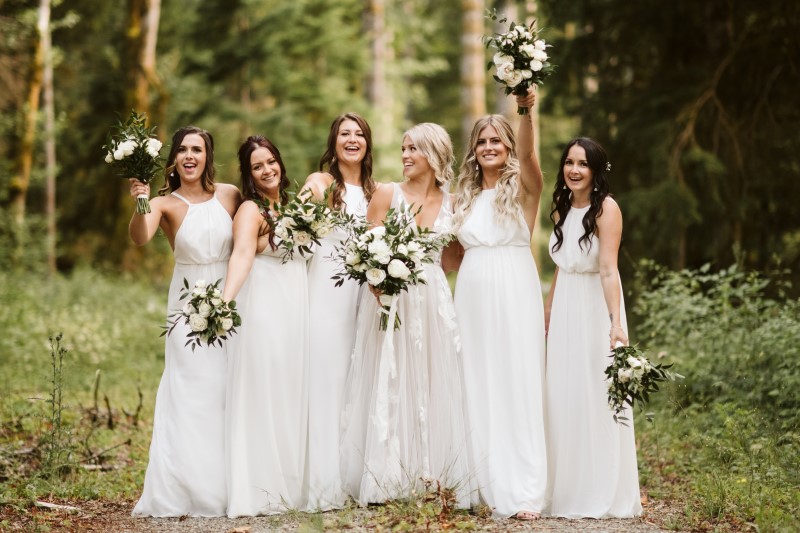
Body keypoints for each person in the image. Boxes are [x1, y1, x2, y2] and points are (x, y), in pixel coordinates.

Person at [340, 123, 473, 508]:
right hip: (389, 298)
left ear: (434, 154)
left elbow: (450, 260)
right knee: (390, 376)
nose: (405, 156)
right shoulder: (386, 193)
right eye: (403, 149)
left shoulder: (452, 202)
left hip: (433, 296)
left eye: (413, 149)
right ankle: (385, 474)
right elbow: (367, 253)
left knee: (431, 376)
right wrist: (381, 284)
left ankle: (431, 472)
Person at [129, 126, 241, 517]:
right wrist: (142, 202)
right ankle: (188, 488)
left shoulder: (229, 195)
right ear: (173, 159)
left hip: (231, 301)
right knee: (192, 388)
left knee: (228, 389)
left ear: (209, 156)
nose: (190, 156)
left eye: (198, 149)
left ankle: (231, 484)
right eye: (183, 150)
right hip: (187, 303)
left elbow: (251, 237)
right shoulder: (165, 204)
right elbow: (141, 237)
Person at [451, 90, 547, 520]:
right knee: (475, 378)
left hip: (514, 286)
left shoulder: (524, 188)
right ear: (474, 149)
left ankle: (524, 489)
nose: (489, 147)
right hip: (471, 290)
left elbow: (529, 157)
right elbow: (450, 255)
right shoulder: (463, 198)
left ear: (507, 145)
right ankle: (482, 484)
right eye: (482, 141)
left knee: (515, 378)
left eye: (497, 141)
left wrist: (526, 111)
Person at [543, 137, 642, 518]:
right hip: (566, 303)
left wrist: (616, 322)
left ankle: (600, 489)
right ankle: (566, 487)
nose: (574, 170)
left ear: (595, 169)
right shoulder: (563, 206)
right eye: (569, 162)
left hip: (595, 308)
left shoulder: (607, 208)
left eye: (582, 164)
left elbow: (608, 269)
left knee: (596, 394)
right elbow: (561, 262)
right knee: (564, 392)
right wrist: (550, 308)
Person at [222, 136, 309, 516]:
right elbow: (241, 256)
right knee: (266, 389)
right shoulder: (250, 211)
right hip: (265, 309)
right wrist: (222, 303)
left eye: (271, 161)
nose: (267, 170)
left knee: (291, 388)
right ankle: (260, 487)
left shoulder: (291, 206)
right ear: (249, 174)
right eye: (258, 166)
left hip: (296, 308)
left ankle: (291, 483)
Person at [300, 113, 376, 511]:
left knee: (357, 377)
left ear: (367, 143)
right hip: (328, 290)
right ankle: (321, 478)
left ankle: (354, 472)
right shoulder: (323, 183)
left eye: (359, 134)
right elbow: (295, 227)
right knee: (327, 376)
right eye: (344, 134)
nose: (352, 139)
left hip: (366, 291)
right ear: (334, 143)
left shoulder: (377, 190)